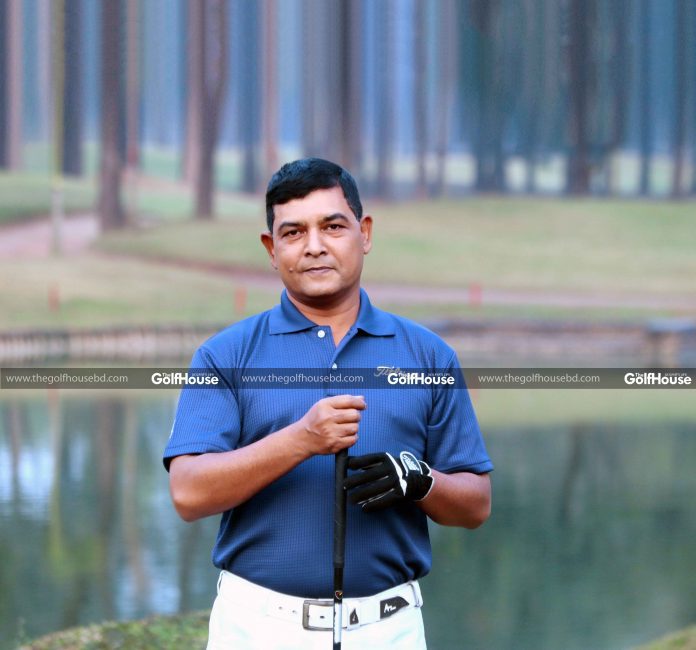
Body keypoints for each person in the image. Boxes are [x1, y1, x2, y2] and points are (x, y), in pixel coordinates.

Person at [164, 158, 493, 649]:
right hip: (258, 629)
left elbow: (475, 504)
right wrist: (300, 440)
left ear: (364, 233)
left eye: (332, 226)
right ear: (271, 249)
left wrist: (419, 480)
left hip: (390, 629)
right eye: (293, 232)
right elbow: (188, 494)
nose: (314, 246)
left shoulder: (428, 355)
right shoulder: (226, 355)